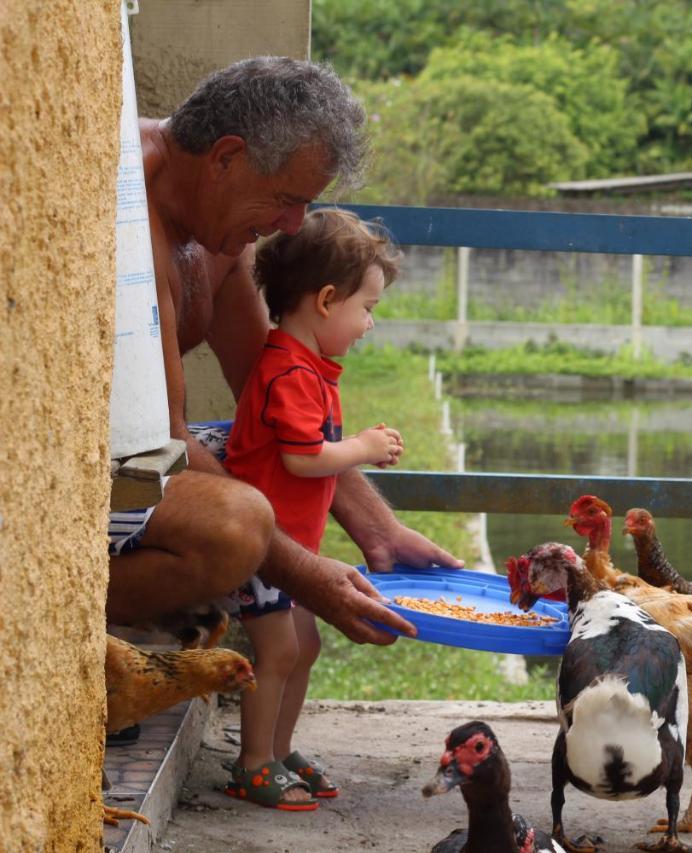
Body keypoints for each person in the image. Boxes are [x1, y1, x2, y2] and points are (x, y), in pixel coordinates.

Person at [106, 56, 459, 645]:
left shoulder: (215, 220)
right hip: (81, 472)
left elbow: (270, 388)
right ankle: (71, 626)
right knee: (237, 526)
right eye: (287, 199)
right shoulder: (128, 211)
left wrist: (378, 529)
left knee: (273, 437)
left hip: (143, 456)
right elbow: (162, 438)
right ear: (225, 157)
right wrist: (302, 570)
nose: (293, 226)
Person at [222, 208, 403, 808]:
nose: (370, 324)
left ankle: (278, 748)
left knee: (306, 647)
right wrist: (365, 448)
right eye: (367, 308)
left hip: (294, 546)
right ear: (326, 300)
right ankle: (254, 763)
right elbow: (303, 458)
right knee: (278, 651)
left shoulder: (310, 369)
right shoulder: (288, 373)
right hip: (263, 548)